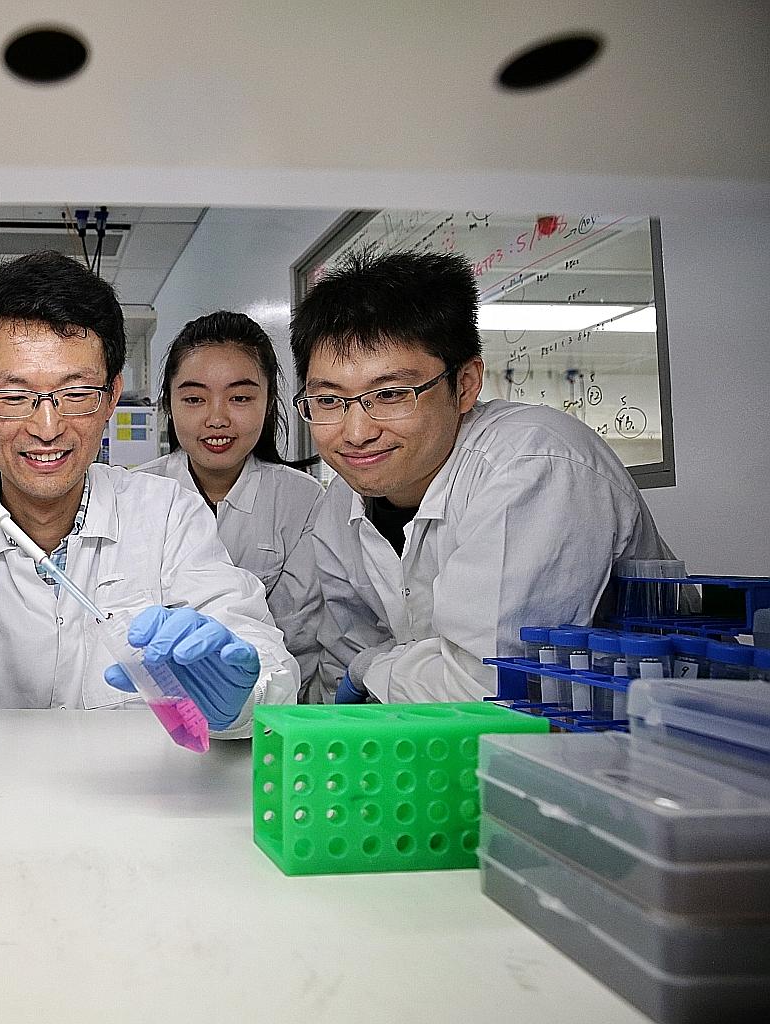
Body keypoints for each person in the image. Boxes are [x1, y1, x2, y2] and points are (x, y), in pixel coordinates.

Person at [0, 251, 300, 734]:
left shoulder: (165, 511)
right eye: (14, 396)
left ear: (112, 395)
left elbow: (261, 661)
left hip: (133, 801)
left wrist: (240, 694)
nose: (47, 427)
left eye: (76, 393)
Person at [289, 250, 675, 703]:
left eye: (391, 394)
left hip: (631, 740)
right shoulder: (341, 501)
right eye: (329, 400)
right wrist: (367, 671)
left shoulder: (532, 465)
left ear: (466, 384)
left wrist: (372, 667)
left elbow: (489, 683)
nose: (356, 433)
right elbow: (344, 663)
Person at [138, 311, 325, 697]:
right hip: (149, 707)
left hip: (268, 706)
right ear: (168, 405)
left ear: (269, 401)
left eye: (240, 397)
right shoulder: (137, 493)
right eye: (194, 398)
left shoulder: (303, 501)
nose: (217, 418)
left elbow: (301, 638)